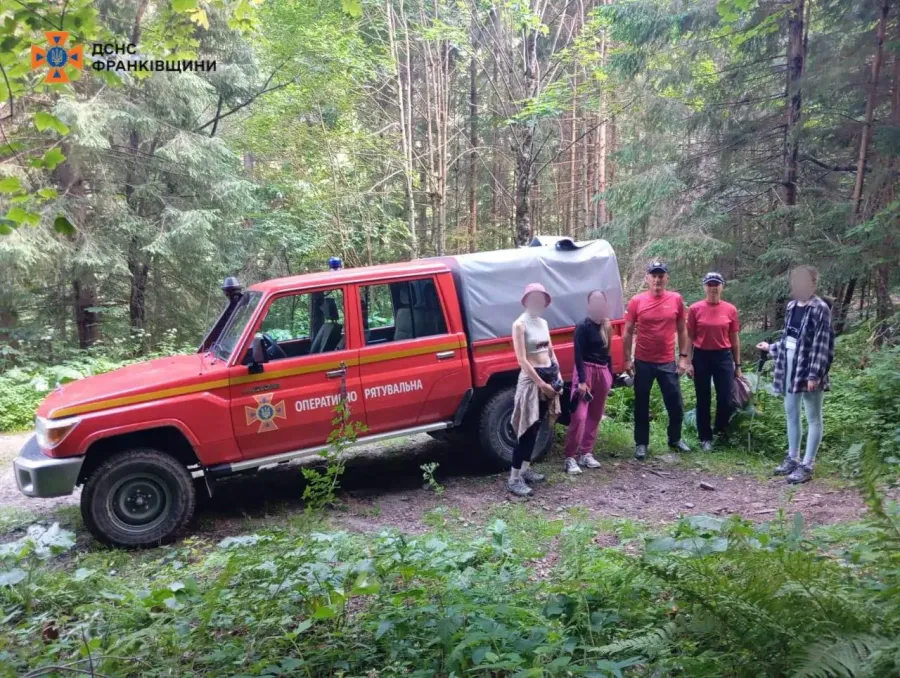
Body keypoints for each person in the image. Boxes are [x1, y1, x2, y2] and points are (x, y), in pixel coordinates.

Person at [756, 265, 835, 484]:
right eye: (795, 281)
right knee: (791, 412)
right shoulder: (792, 306)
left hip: (809, 368)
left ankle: (807, 464)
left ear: (813, 284)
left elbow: (823, 345)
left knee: (813, 416)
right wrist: (770, 348)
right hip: (788, 365)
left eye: (803, 281)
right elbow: (791, 340)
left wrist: (815, 374)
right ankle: (793, 457)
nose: (799, 285)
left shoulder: (820, 308)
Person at [623, 261, 692, 461]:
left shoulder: (676, 299)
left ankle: (675, 439)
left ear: (666, 278)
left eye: (661, 275)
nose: (657, 279)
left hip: (667, 361)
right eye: (653, 275)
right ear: (647, 278)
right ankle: (641, 444)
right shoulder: (637, 301)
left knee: (675, 404)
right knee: (641, 404)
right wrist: (627, 359)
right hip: (643, 361)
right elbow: (627, 332)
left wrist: (683, 358)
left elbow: (682, 330)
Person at [508, 283, 562, 496]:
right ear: (526, 300)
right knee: (526, 430)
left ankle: (525, 469)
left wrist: (557, 374)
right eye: (533, 298)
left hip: (548, 377)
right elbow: (522, 359)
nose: (537, 302)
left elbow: (550, 350)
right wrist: (541, 384)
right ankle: (513, 479)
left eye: (541, 298)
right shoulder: (519, 325)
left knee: (537, 426)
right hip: (532, 383)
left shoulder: (543, 322)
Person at [686, 272, 742, 451]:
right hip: (702, 355)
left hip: (723, 356)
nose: (713, 287)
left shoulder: (730, 309)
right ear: (704, 287)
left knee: (725, 397)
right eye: (710, 284)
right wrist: (687, 361)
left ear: (722, 287)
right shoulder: (695, 309)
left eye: (716, 284)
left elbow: (734, 338)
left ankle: (720, 431)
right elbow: (689, 337)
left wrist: (738, 364)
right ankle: (705, 437)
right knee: (703, 398)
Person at [563, 290, 614, 474]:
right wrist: (582, 381)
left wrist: (610, 377)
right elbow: (577, 355)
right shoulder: (583, 326)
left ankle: (586, 453)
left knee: (595, 414)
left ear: (605, 304)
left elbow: (608, 354)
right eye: (594, 301)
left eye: (601, 301)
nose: (598, 304)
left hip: (602, 373)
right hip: (585, 371)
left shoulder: (607, 326)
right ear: (589, 305)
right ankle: (570, 457)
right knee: (579, 416)